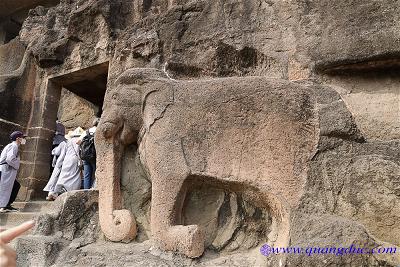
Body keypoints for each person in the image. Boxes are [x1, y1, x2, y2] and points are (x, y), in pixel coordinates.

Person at [43, 127, 84, 200]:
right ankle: (70, 191)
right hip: (75, 160)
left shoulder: (68, 141)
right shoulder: (80, 140)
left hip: (66, 160)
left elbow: (61, 152)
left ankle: (58, 191)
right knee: (74, 176)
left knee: (63, 175)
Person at [0, 131, 27, 213]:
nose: (24, 140)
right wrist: (17, 165)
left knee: (14, 186)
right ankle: (5, 205)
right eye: (22, 138)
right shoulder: (14, 146)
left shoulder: (11, 145)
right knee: (7, 188)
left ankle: (6, 204)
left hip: (5, 169)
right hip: (6, 170)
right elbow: (9, 159)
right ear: (18, 138)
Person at [78, 118, 99, 189]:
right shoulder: (99, 131)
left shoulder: (86, 131)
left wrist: (84, 146)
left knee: (86, 175)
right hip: (94, 156)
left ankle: (86, 190)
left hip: (85, 155)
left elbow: (78, 142)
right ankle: (95, 188)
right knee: (97, 173)